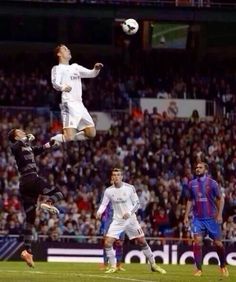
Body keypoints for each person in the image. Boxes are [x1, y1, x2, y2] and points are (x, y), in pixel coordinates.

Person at [8, 129, 64, 268]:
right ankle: (48, 202)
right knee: (59, 193)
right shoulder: (16, 146)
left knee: (30, 219)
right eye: (20, 131)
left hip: (25, 186)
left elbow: (38, 149)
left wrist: (50, 144)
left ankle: (27, 252)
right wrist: (25, 138)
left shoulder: (26, 147)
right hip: (31, 179)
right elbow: (15, 147)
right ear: (16, 136)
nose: (23, 131)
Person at [96, 168, 167, 274]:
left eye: (118, 175)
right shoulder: (108, 191)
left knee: (142, 241)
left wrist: (129, 213)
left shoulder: (129, 188)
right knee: (107, 242)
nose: (116, 177)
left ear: (122, 177)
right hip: (117, 221)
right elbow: (104, 204)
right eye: (114, 175)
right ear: (112, 177)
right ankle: (113, 266)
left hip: (131, 220)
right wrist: (99, 212)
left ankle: (153, 264)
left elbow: (137, 204)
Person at [50, 44, 103, 143]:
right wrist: (63, 87)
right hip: (68, 104)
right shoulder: (57, 68)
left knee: (91, 133)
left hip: (80, 104)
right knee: (69, 137)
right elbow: (55, 83)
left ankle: (68, 137)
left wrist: (96, 69)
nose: (68, 50)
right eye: (65, 49)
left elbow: (91, 74)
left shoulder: (75, 67)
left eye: (68, 48)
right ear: (59, 54)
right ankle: (54, 140)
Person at [184, 162, 229, 277]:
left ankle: (223, 266)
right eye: (196, 167)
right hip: (197, 219)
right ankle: (198, 269)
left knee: (218, 244)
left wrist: (219, 214)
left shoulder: (212, 183)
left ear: (206, 170)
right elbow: (189, 200)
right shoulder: (191, 184)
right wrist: (186, 216)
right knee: (197, 241)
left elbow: (221, 199)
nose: (197, 169)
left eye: (200, 167)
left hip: (211, 218)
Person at [99, 176, 125, 271]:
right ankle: (105, 264)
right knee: (107, 243)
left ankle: (118, 265)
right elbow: (103, 207)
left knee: (120, 243)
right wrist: (104, 222)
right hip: (109, 220)